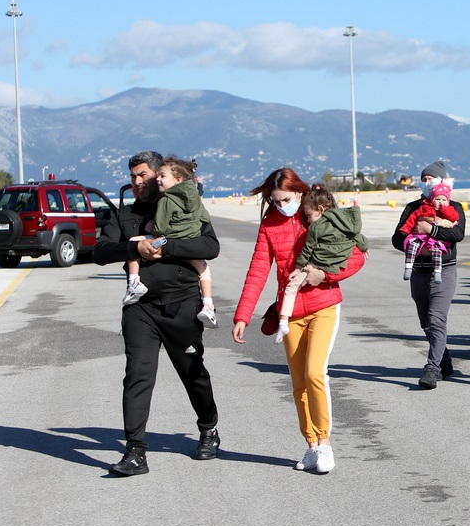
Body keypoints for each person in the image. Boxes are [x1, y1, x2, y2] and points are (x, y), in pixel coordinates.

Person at [93, 150, 221, 476]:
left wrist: (169, 247)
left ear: (159, 174)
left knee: (193, 373)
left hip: (182, 307)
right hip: (141, 309)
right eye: (133, 177)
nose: (137, 182)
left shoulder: (185, 206)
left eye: (143, 175)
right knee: (137, 375)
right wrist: (134, 247)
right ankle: (135, 452)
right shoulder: (125, 215)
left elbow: (210, 247)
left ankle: (208, 428)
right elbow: (99, 251)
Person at [232, 168, 367, 473]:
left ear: (301, 193)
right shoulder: (269, 225)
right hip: (289, 312)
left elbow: (356, 256)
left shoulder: (321, 215)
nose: (282, 206)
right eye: (276, 201)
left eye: (287, 199)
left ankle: (326, 444)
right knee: (298, 383)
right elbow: (257, 271)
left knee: (315, 372)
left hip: (323, 306)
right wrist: (243, 315)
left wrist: (325, 274)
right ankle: (311, 446)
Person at [391, 161, 466, 390]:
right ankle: (444, 360)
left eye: (430, 179)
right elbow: (396, 238)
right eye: (423, 180)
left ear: (441, 181)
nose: (426, 183)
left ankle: (432, 368)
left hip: (444, 269)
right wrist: (412, 241)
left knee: (436, 319)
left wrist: (431, 230)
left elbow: (458, 233)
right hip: (418, 271)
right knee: (426, 323)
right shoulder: (413, 207)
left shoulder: (454, 206)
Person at [122, 156, 218, 329]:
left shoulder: (166, 200)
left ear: (178, 179)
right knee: (203, 270)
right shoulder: (195, 197)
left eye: (162, 176)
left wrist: (151, 230)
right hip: (191, 241)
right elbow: (204, 217)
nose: (158, 179)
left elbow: (160, 227)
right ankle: (208, 304)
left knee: (134, 244)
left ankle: (134, 282)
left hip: (167, 240)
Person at [275, 185, 369, 344]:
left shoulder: (316, 227)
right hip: (335, 265)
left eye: (309, 215)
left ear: (320, 209)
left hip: (317, 264)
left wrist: (298, 268)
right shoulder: (346, 223)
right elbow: (359, 238)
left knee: (291, 287)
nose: (308, 220)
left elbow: (307, 249)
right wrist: (364, 248)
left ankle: (283, 322)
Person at [398, 182, 460, 285]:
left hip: (436, 244)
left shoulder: (453, 208)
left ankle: (437, 272)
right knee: (412, 246)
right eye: (437, 199)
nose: (441, 202)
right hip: (419, 240)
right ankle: (408, 268)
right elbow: (412, 218)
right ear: (432, 199)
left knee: (437, 251)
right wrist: (406, 229)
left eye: (444, 200)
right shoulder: (421, 207)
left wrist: (443, 210)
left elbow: (456, 225)